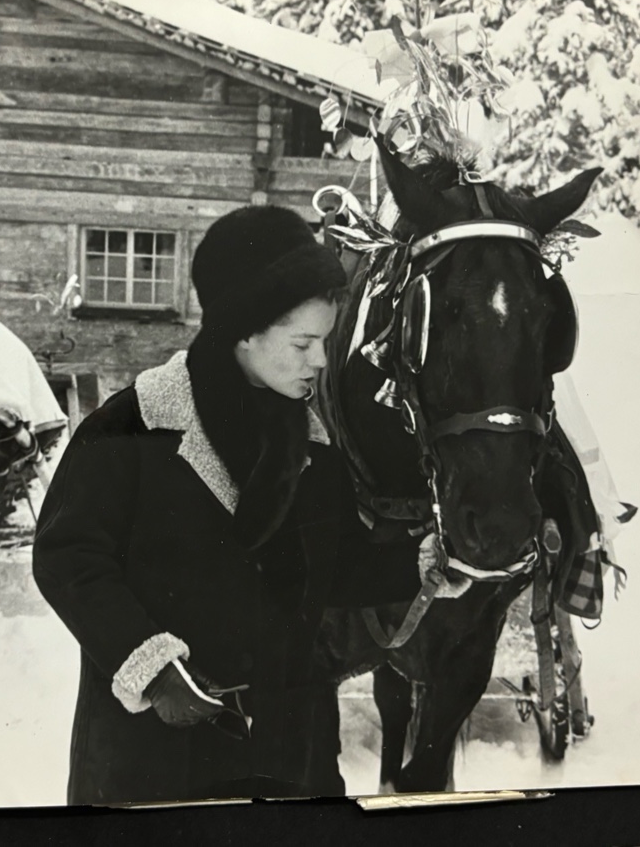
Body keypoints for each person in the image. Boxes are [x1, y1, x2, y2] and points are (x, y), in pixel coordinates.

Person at [32, 205, 467, 805]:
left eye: (325, 342)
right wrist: (152, 667)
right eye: (303, 342)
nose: (320, 360)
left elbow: (331, 569)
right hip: (155, 757)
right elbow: (67, 556)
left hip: (291, 752)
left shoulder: (314, 446)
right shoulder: (133, 429)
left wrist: (417, 566)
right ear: (243, 327)